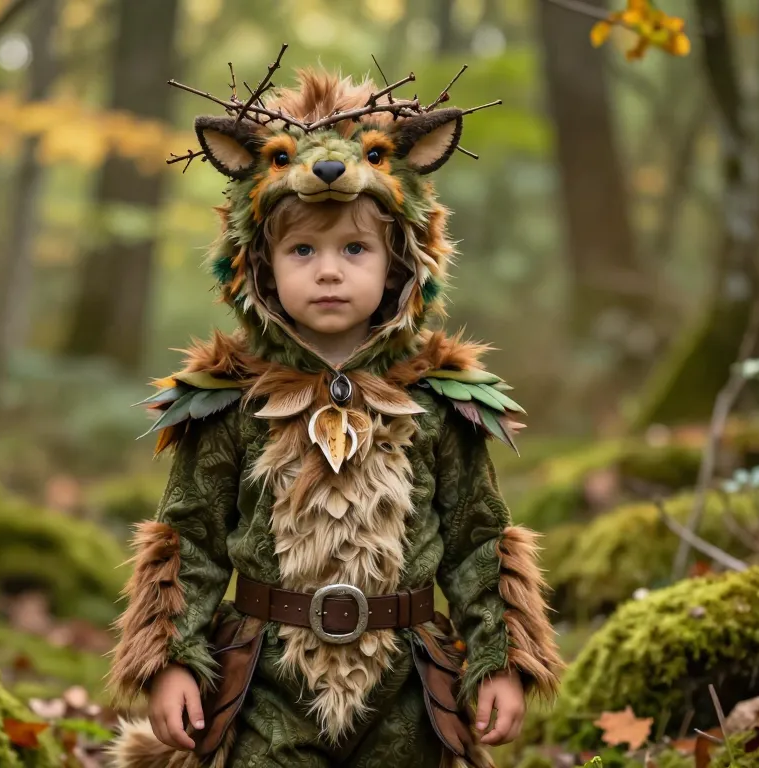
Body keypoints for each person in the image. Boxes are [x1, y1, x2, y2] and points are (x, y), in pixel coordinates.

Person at [107, 64, 563, 768]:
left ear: (399, 262)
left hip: (407, 682)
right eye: (302, 251)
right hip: (266, 679)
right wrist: (170, 661)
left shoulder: (439, 399)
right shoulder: (230, 399)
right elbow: (188, 541)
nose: (328, 270)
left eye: (354, 249)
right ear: (258, 264)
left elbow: (479, 538)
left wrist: (501, 659)